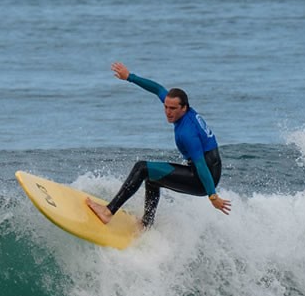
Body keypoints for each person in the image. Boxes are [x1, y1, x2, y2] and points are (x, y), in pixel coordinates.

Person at [86, 62, 232, 228]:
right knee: (153, 177)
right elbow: (157, 89)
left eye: (173, 108)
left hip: (203, 178)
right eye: (166, 107)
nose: (168, 112)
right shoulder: (182, 109)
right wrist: (129, 77)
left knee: (142, 168)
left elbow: (201, 165)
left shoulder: (187, 133)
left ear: (184, 108)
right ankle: (146, 224)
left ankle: (108, 212)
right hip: (207, 168)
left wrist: (213, 196)